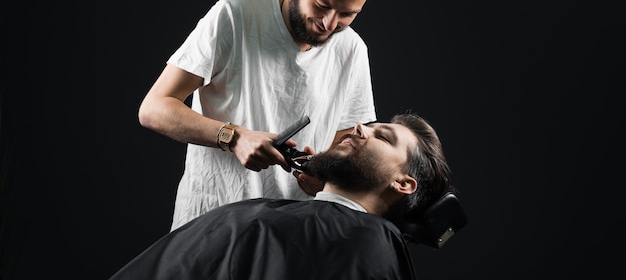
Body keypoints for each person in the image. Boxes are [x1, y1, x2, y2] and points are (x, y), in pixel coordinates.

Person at [137, 0, 392, 230]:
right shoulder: (235, 17)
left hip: (287, 239)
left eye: (347, 14)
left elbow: (341, 149)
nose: (329, 23)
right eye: (322, 4)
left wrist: (324, 178)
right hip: (208, 228)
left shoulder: (352, 50)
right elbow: (154, 108)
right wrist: (233, 136)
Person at [109, 113, 453, 280]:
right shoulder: (270, 216)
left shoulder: (370, 244)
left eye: (384, 137)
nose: (360, 128)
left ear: (404, 183)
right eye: (370, 124)